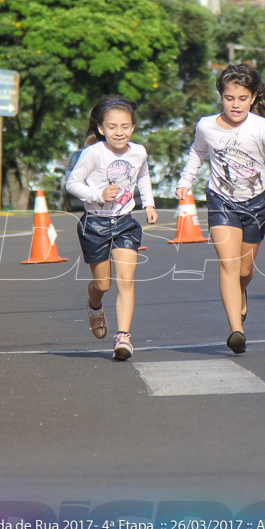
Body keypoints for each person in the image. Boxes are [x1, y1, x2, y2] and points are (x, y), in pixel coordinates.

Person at [175, 64, 265, 354]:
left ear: (253, 98)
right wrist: (185, 181)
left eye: (243, 98)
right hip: (221, 201)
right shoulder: (206, 125)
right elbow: (197, 152)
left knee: (244, 270)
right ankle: (236, 329)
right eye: (230, 98)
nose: (236, 104)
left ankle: (241, 291)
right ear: (221, 95)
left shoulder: (259, 127)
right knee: (228, 264)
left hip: (258, 203)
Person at [65, 96, 157, 360]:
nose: (120, 132)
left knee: (126, 281)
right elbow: (73, 184)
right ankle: (94, 307)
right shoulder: (93, 153)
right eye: (113, 127)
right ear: (102, 129)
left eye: (125, 126)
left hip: (126, 223)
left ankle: (124, 337)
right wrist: (98, 194)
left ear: (133, 127)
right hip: (95, 223)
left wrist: (149, 205)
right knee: (103, 285)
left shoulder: (138, 152)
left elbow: (143, 176)